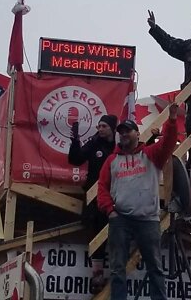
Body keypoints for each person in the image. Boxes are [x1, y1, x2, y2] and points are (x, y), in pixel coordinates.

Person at [97, 104, 179, 300]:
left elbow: (168, 142)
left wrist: (172, 120)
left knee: (155, 268)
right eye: (121, 132)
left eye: (128, 131)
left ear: (137, 133)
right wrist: (110, 211)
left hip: (148, 219)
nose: (124, 134)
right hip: (120, 219)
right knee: (117, 268)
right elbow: (102, 189)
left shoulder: (151, 155)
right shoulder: (111, 160)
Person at [67, 114, 118, 293]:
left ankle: (118, 275)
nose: (100, 129)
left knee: (117, 234)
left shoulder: (120, 146)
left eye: (103, 126)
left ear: (112, 128)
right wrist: (75, 140)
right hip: (95, 196)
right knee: (96, 232)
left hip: (118, 196)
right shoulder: (95, 142)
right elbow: (76, 159)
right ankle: (97, 274)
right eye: (99, 126)